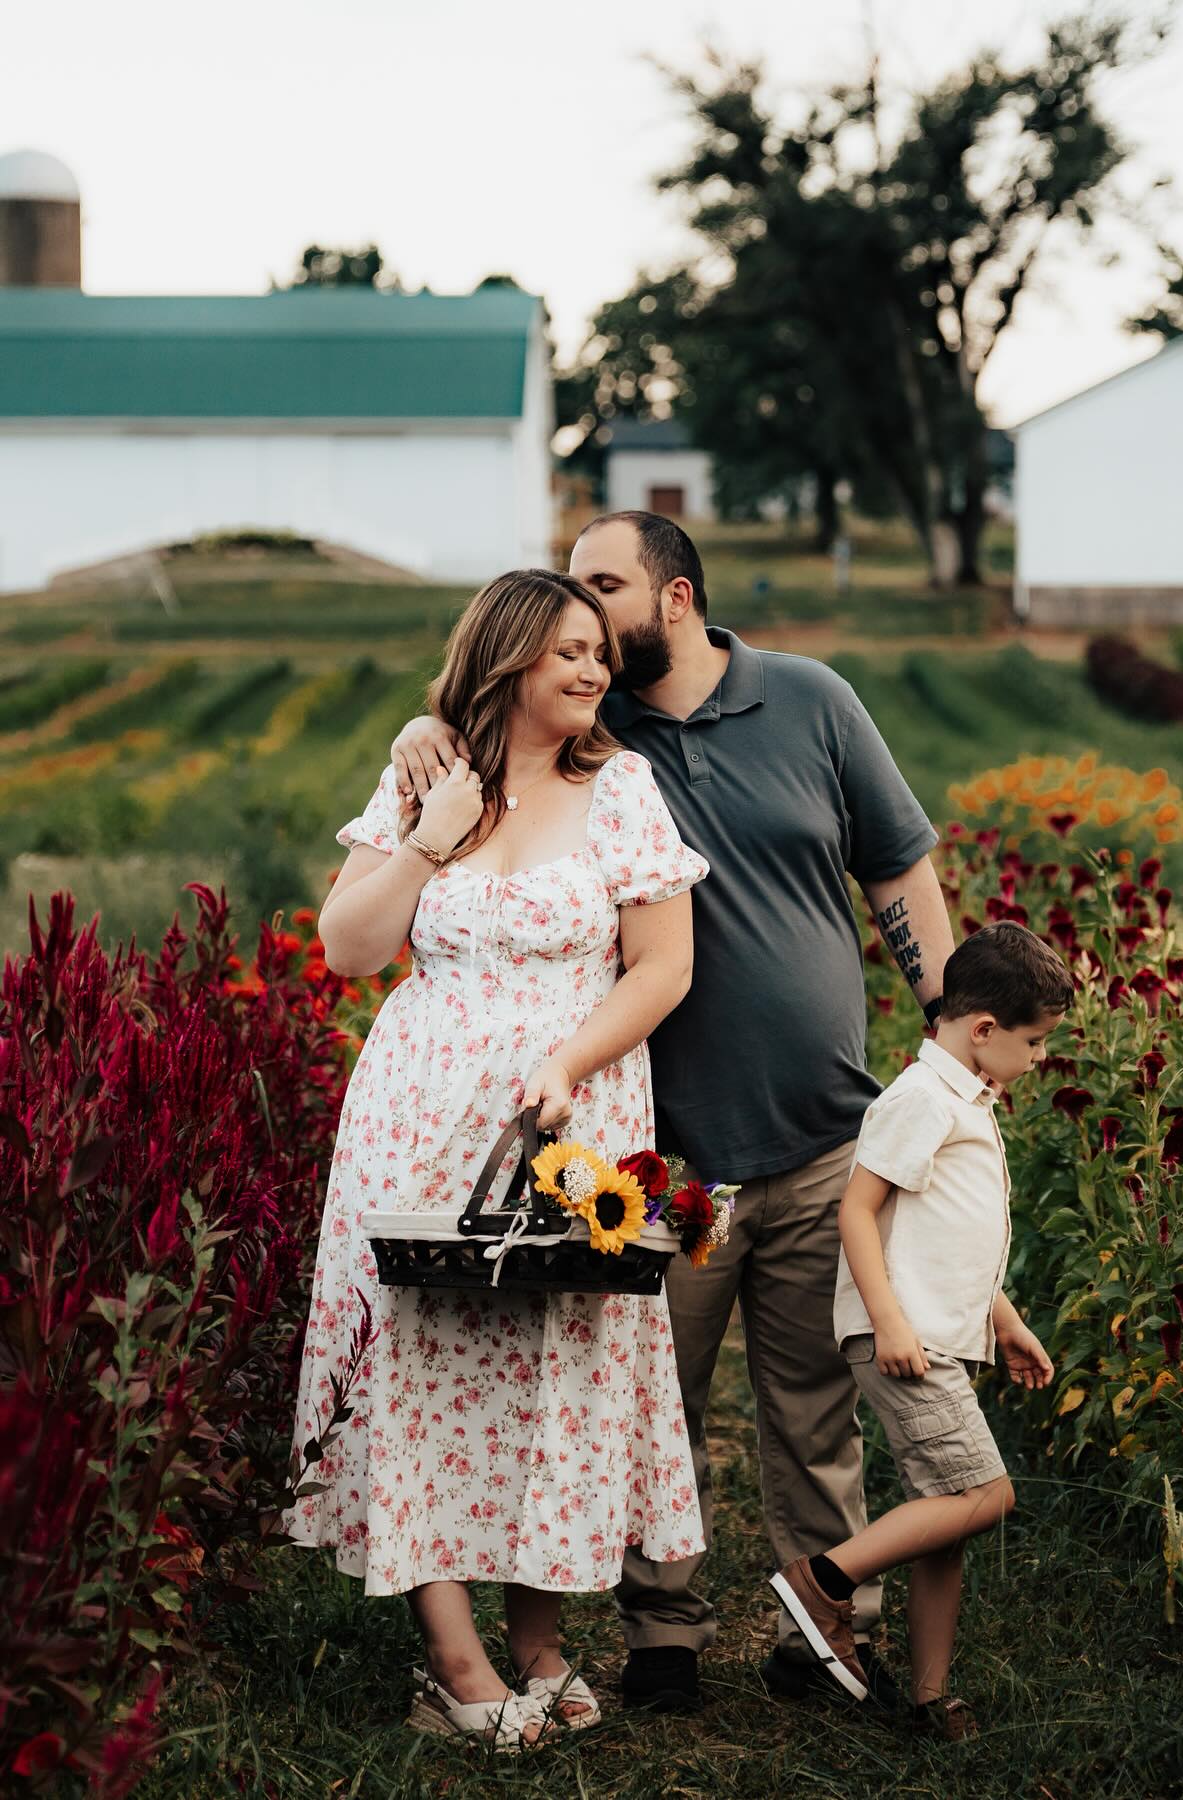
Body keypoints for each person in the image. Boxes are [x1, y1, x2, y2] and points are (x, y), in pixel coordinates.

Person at [390, 513, 956, 1711]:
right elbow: (485, 726)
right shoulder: (594, 734)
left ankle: (819, 1625)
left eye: (602, 592)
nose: (578, 625)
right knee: (657, 1387)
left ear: (678, 597)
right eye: (565, 617)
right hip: (662, 1148)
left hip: (820, 1127)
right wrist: (422, 728)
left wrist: (948, 1048)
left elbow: (898, 867)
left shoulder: (811, 700)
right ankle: (663, 1635)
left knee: (814, 1404)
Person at [285, 568, 709, 1751]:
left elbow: (662, 968)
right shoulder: (425, 773)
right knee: (420, 1362)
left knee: (552, 1366)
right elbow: (347, 950)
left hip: (567, 1116)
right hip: (417, 1115)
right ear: (507, 655)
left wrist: (570, 1063)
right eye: (568, 651)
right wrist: (422, 841)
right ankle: (457, 1660)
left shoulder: (621, 789)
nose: (592, 670)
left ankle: (541, 1642)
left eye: (599, 653)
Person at [769, 921, 1069, 1737]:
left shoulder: (961, 1097)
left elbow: (948, 1234)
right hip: (908, 1341)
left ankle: (931, 1696)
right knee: (984, 1494)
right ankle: (820, 1582)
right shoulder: (919, 1100)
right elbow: (857, 1213)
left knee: (948, 1513)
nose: (1039, 1059)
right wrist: (892, 1323)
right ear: (983, 1031)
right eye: (1035, 1041)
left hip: (940, 1333)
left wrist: (1002, 1322)